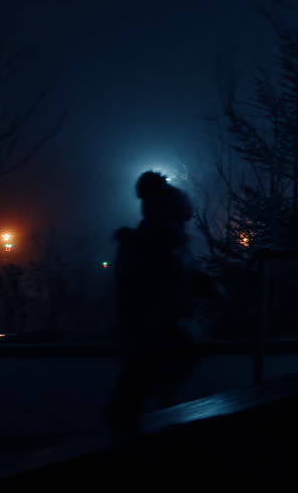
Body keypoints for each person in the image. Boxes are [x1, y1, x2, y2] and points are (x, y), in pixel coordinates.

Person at [105, 171, 217, 433]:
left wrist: (205, 285)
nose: (181, 226)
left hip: (161, 330)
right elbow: (151, 286)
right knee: (141, 390)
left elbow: (179, 279)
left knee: (146, 391)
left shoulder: (165, 245)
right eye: (176, 220)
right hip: (154, 331)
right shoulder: (151, 247)